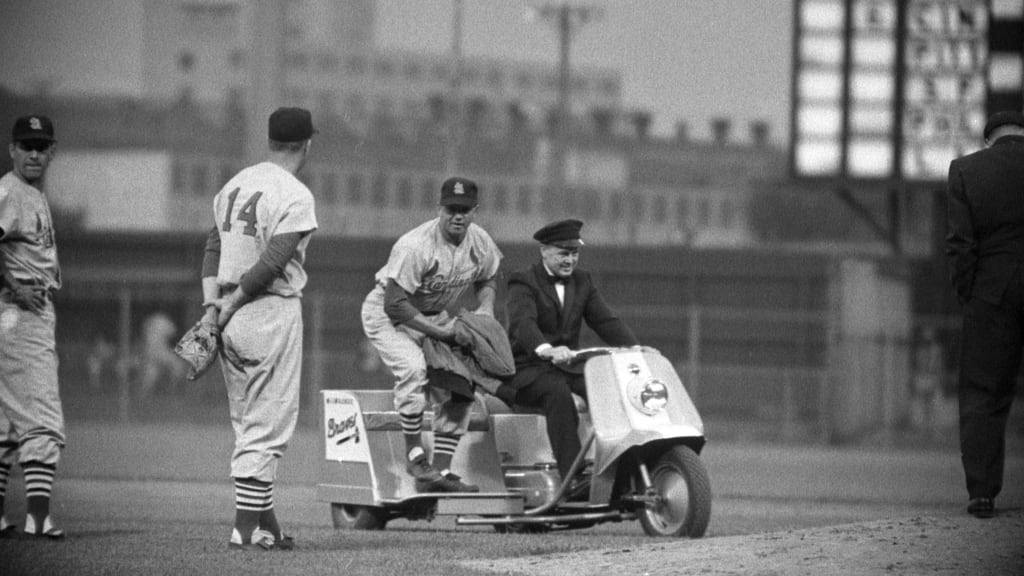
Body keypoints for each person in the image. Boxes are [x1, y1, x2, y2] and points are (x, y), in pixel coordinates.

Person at [200, 107, 318, 550]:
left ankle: (266, 523)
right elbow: (272, 262)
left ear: (270, 140)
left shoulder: (237, 182)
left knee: (249, 423)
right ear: (307, 144)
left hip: (230, 313)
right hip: (265, 311)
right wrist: (229, 305)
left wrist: (212, 306)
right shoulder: (294, 193)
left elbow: (213, 246)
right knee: (268, 427)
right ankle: (244, 528)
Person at [361, 176, 502, 493]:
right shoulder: (416, 246)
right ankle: (414, 457)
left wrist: (487, 308)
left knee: (461, 384)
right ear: (439, 208)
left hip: (433, 314)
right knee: (413, 369)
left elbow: (489, 277)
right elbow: (395, 304)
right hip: (387, 314)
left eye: (464, 210)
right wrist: (440, 332)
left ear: (474, 212)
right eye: (451, 208)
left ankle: (438, 474)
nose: (458, 216)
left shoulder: (479, 242)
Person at [498, 219, 638, 495]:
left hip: (566, 368)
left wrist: (636, 348)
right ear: (544, 251)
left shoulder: (582, 282)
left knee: (609, 389)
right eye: (563, 253)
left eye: (574, 253)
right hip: (527, 370)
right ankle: (572, 477)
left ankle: (620, 467)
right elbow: (522, 324)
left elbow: (606, 321)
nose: (570, 260)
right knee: (557, 393)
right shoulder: (522, 281)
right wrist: (545, 349)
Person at [945, 109, 1024, 519]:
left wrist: (971, 296)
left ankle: (982, 493)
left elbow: (960, 245)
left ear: (989, 137)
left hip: (992, 294)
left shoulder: (966, 170)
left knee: (982, 396)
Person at [0, 115, 66, 539]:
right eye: (26, 145)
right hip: (19, 312)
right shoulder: (10, 192)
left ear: (51, 152)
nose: (34, 153)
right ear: (12, 150)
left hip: (17, 312)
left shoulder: (28, 193)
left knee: (6, 421)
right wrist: (12, 288)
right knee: (42, 414)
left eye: (41, 146)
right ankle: (38, 517)